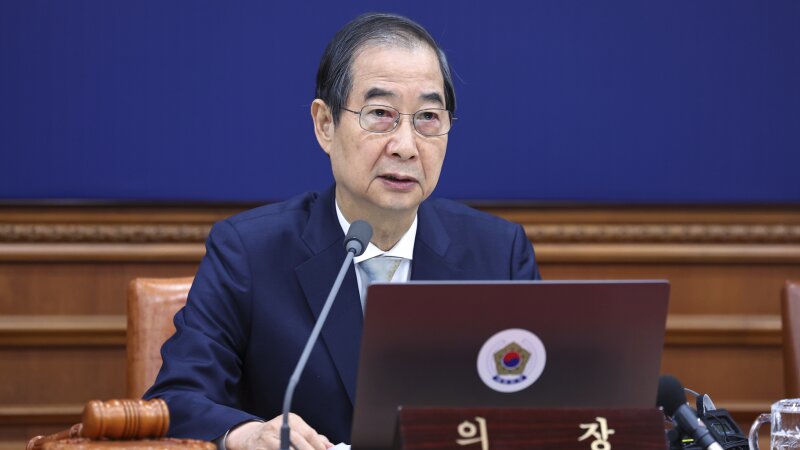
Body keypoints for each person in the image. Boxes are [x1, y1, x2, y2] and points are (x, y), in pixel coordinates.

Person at [144, 12, 540, 450]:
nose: (406, 146)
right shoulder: (248, 253)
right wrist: (247, 435)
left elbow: (544, 407)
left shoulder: (498, 254)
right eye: (380, 114)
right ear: (325, 125)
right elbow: (176, 400)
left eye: (428, 117)